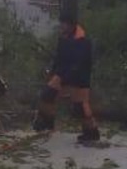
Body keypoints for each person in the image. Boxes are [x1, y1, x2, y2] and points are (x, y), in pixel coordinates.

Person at [34, 14, 99, 145]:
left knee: (80, 107)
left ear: (71, 25)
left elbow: (80, 62)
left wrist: (66, 76)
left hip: (79, 76)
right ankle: (47, 122)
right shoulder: (63, 38)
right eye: (61, 23)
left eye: (64, 24)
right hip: (62, 73)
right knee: (47, 94)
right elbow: (59, 58)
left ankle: (91, 132)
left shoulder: (83, 41)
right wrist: (53, 73)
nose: (61, 26)